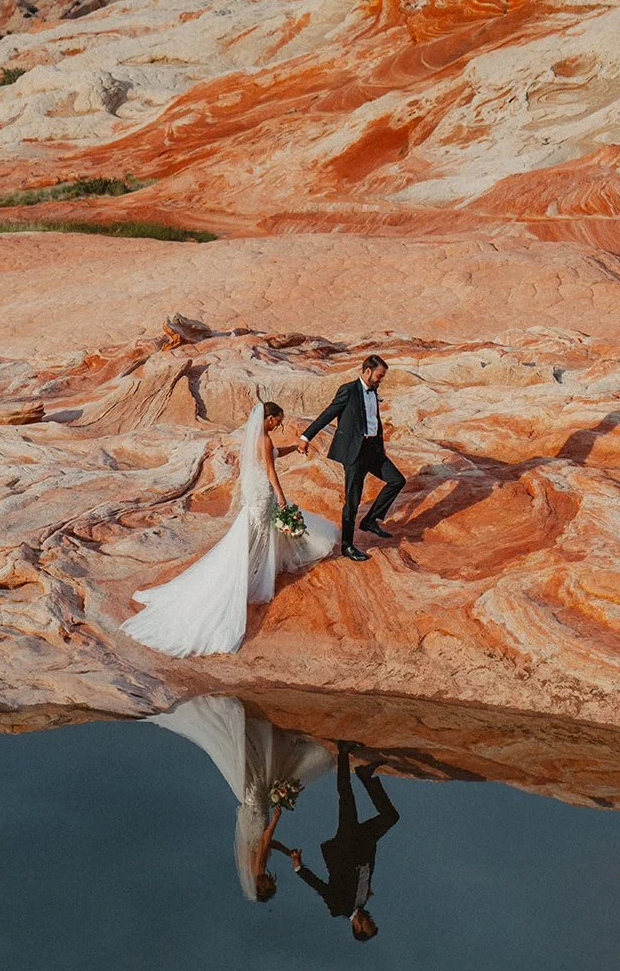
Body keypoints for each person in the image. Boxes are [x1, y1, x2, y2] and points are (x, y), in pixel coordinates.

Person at [122, 402, 338, 657]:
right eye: (277, 422)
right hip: (263, 493)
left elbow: (273, 455)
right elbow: (270, 470)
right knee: (259, 532)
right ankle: (249, 571)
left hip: (256, 492)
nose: (277, 426)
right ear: (268, 418)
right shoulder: (264, 439)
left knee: (259, 532)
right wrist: (280, 495)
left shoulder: (258, 439)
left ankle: (254, 567)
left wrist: (294, 447)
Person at [147, 695, 334, 901]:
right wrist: (287, 851)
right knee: (258, 779)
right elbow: (268, 844)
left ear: (261, 887)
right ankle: (252, 741)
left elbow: (265, 840)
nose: (273, 883)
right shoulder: (253, 868)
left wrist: (276, 819)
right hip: (253, 818)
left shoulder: (258, 869)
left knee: (259, 779)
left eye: (270, 887)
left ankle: (250, 736)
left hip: (257, 817)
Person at [298, 356, 407, 562]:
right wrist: (306, 437)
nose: (380, 380)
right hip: (354, 453)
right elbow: (328, 414)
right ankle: (347, 546)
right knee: (352, 501)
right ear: (367, 371)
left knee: (397, 480)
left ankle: (370, 520)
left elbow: (374, 420)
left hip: (373, 451)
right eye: (379, 376)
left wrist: (380, 446)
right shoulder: (348, 390)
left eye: (382, 377)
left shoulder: (373, 391)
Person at [290, 743, 398, 940]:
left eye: (369, 923)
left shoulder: (338, 907)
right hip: (364, 844)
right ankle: (365, 776)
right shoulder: (363, 900)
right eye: (373, 922)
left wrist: (299, 868)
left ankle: (343, 752)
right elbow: (362, 875)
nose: (371, 919)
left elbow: (320, 887)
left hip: (346, 845)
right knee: (390, 817)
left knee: (346, 798)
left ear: (358, 927)